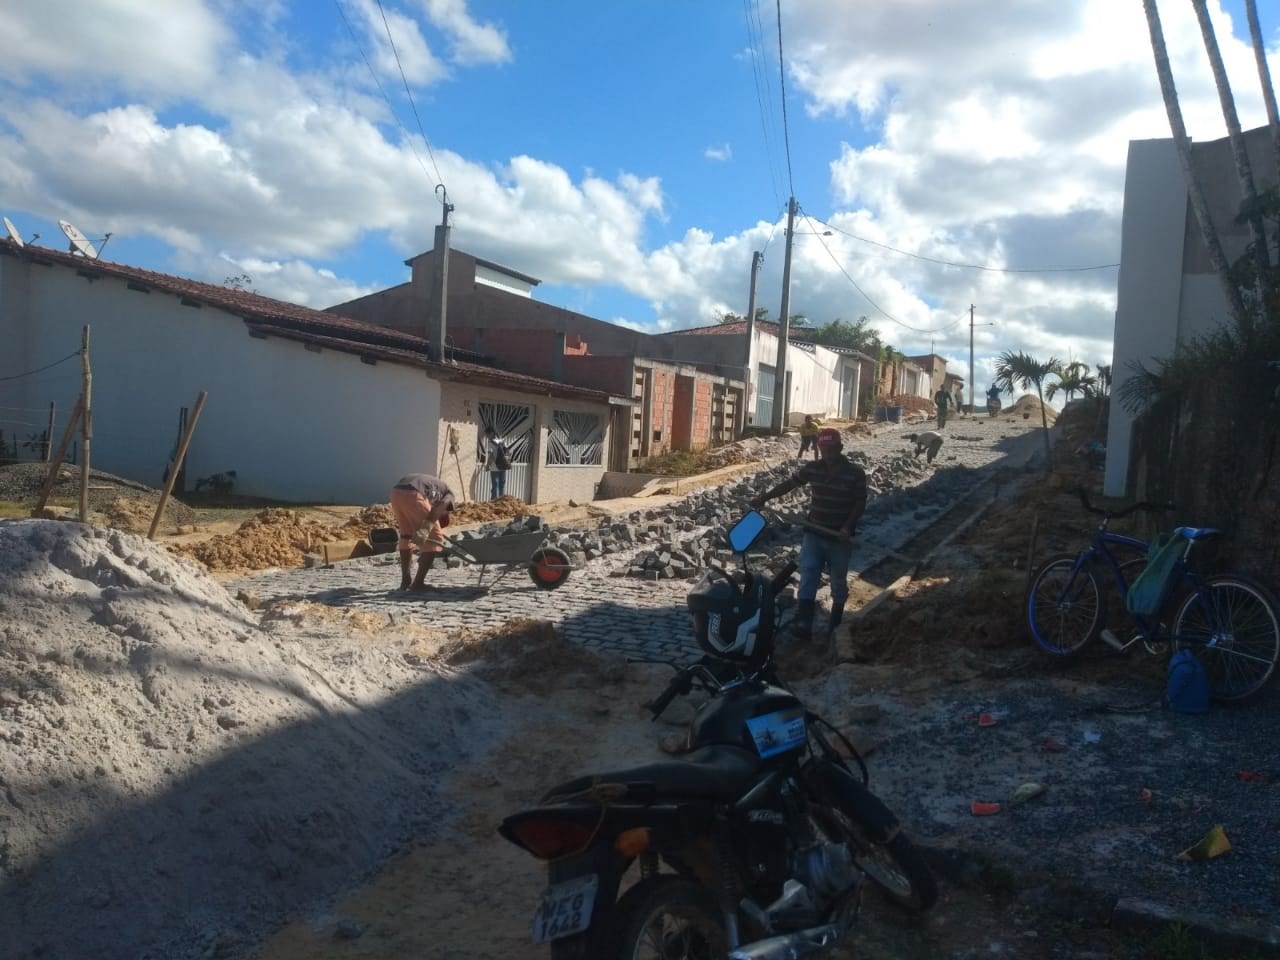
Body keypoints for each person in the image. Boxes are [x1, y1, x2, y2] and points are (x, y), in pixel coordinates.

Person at [750, 427, 867, 639]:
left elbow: (860, 502)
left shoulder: (855, 473)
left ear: (840, 447)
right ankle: (804, 622)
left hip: (839, 538)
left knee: (838, 581)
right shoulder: (813, 469)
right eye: (824, 448)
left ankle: (835, 623)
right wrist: (764, 498)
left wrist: (847, 527)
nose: (827, 453)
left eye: (831, 449)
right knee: (809, 572)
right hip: (814, 533)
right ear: (819, 448)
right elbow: (789, 484)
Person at [389, 473, 455, 591]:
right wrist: (426, 528)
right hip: (414, 493)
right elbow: (439, 508)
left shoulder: (434, 492)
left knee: (406, 536)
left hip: (396, 493)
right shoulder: (449, 495)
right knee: (435, 540)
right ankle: (418, 583)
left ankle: (405, 580)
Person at [484, 426, 510, 500]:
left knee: (495, 485)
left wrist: (488, 465)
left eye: (487, 435)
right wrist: (506, 462)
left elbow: (491, 455)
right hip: (503, 466)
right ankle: (501, 501)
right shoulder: (502, 441)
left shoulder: (490, 443)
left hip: (495, 468)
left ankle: (494, 501)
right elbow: (507, 452)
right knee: (501, 485)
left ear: (492, 433)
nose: (487, 437)